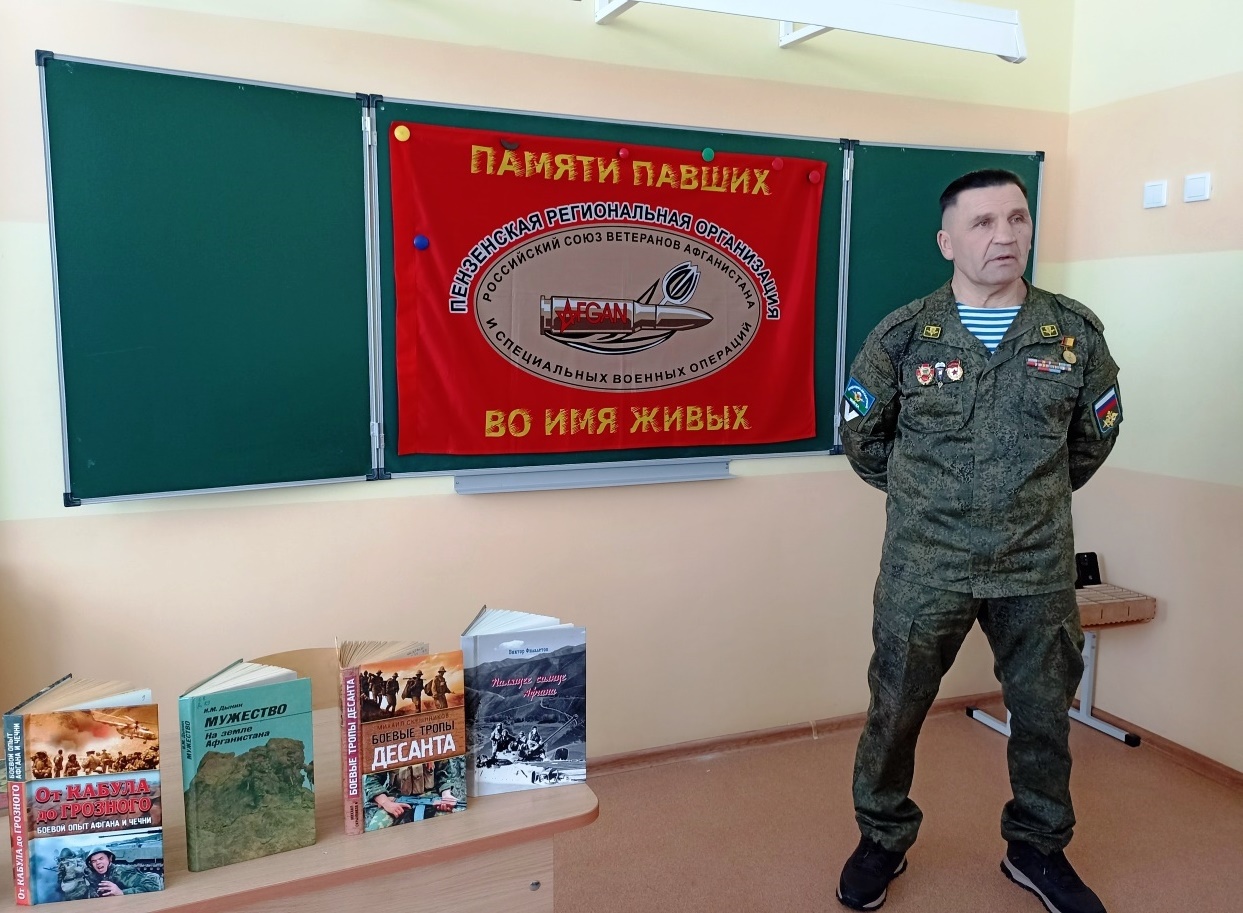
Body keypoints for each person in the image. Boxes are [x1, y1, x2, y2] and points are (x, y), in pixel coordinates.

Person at [837, 169, 1122, 913]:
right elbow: (863, 438)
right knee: (895, 707)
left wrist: (1028, 502)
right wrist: (930, 501)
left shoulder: (1072, 333)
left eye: (1017, 219)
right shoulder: (903, 336)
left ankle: (1037, 848)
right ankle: (881, 837)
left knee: (1043, 715)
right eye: (983, 222)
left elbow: (1093, 437)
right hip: (925, 563)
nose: (1004, 236)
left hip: (1035, 565)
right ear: (947, 240)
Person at [83, 847, 163, 896]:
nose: (98, 863)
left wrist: (121, 892)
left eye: (101, 858)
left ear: (109, 859)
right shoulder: (96, 874)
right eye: (94, 861)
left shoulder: (121, 872)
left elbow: (153, 886)